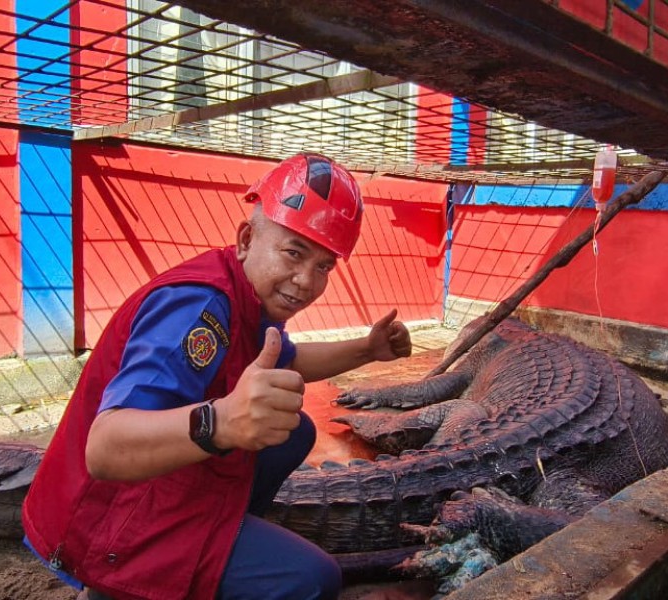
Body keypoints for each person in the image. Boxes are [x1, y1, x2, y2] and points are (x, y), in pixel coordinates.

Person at [22, 153, 413, 600]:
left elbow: (288, 358)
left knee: (291, 431)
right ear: (247, 238)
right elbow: (106, 448)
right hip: (107, 517)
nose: (306, 280)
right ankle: (122, 587)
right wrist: (222, 422)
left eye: (323, 266)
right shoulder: (198, 307)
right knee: (311, 580)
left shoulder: (247, 296)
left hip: (157, 482)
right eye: (294, 252)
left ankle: (211, 546)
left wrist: (366, 349)